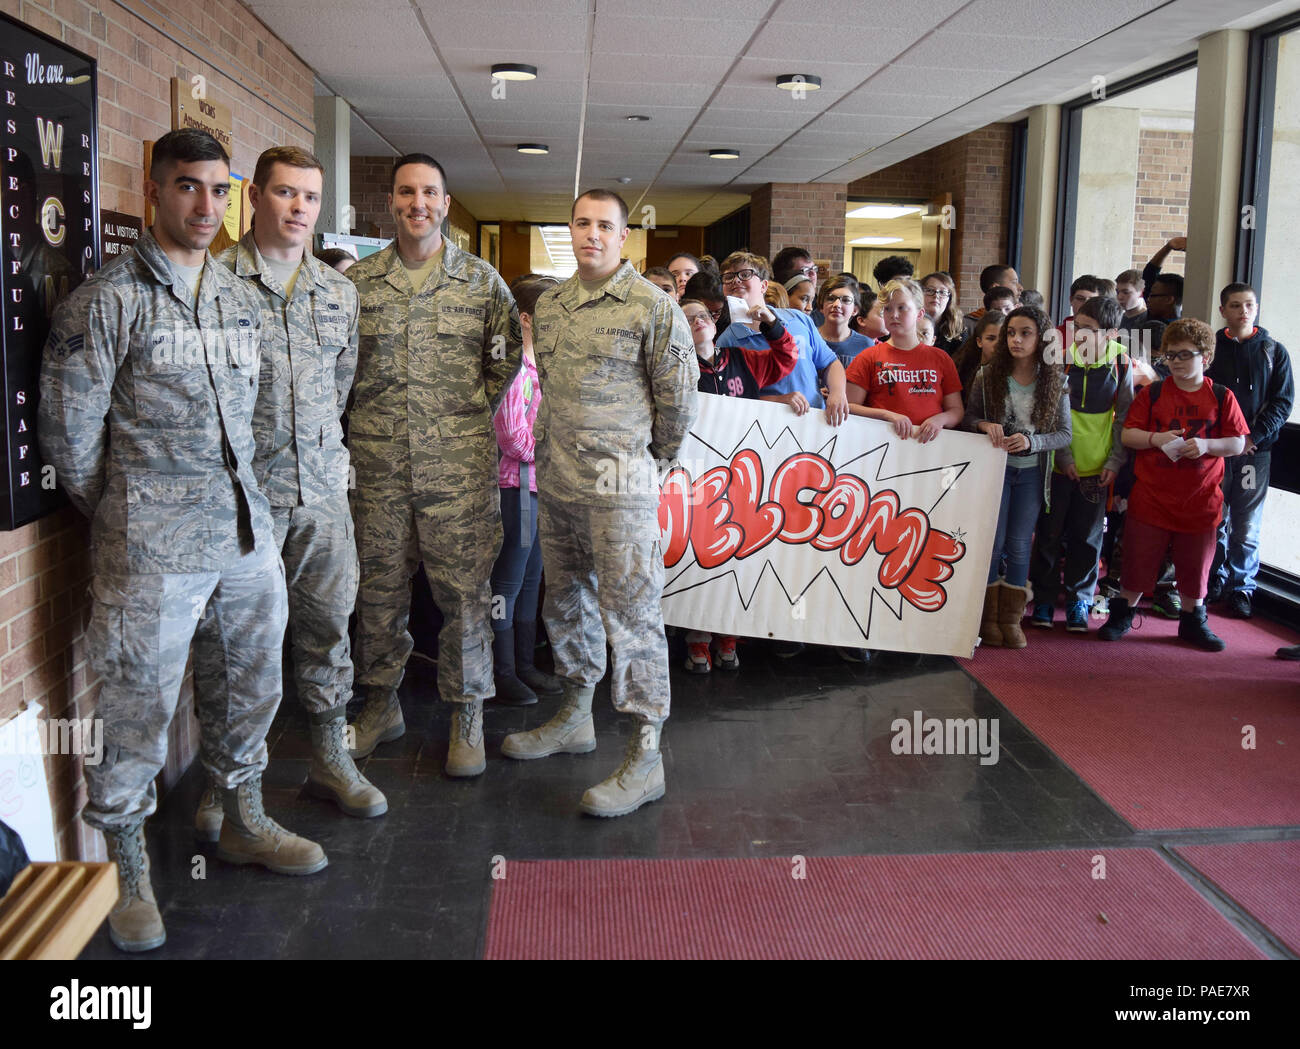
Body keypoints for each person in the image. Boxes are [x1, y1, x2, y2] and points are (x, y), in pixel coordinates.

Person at [38, 129, 317, 953]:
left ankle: (244, 820)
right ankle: (129, 872)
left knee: (251, 684)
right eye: (188, 187)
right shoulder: (107, 300)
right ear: (155, 190)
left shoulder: (235, 297)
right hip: (150, 546)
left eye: (219, 190)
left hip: (243, 535)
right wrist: (131, 508)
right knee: (136, 710)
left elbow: (259, 414)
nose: (206, 206)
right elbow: (68, 436)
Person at [200, 146, 383, 836]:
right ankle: (226, 784)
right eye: (286, 194)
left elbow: (340, 390)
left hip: (322, 499)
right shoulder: (211, 285)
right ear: (256, 199)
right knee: (232, 647)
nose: (300, 208)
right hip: (240, 505)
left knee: (328, 630)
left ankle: (331, 756)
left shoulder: (339, 292)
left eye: (310, 196)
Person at [501, 189, 698, 818]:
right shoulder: (553, 305)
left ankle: (646, 756)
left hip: (621, 487)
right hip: (557, 481)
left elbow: (677, 402)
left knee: (633, 615)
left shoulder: (652, 307)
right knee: (565, 600)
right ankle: (576, 716)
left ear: (623, 237)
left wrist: (651, 464)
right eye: (581, 223)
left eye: (604, 226)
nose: (592, 234)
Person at [345, 153, 522, 778]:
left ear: (446, 203)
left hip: (458, 471)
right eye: (405, 192)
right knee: (378, 591)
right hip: (378, 469)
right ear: (392, 203)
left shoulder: (482, 284)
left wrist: (461, 416)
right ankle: (379, 704)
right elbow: (343, 376)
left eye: (429, 192)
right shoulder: (358, 286)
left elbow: (501, 364)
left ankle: (467, 711)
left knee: (465, 595)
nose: (417, 203)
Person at [1099, 319, 1249, 650]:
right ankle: (1123, 613)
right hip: (1152, 495)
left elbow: (1238, 443)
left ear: (1205, 357)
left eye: (1185, 355)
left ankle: (1194, 620)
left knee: (1196, 566)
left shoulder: (1221, 396)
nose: (1177, 362)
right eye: (1170, 355)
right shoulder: (1153, 393)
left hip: (1201, 497)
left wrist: (1208, 446)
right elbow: (1127, 434)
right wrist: (1156, 438)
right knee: (1139, 559)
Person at [683, 294, 796, 672]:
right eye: (689, 318)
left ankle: (729, 634)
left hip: (744, 476)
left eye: (703, 315)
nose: (698, 320)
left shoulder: (742, 360)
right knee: (701, 556)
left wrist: (771, 323)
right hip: (697, 479)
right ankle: (697, 638)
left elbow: (785, 359)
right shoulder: (678, 368)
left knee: (738, 555)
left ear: (716, 324)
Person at [964, 306, 1072, 649]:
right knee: (992, 544)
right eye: (1011, 333)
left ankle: (1011, 620)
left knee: (1020, 543)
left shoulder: (1056, 379)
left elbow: (1064, 434)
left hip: (1030, 474)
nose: (1015, 340)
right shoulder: (987, 375)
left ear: (1041, 338)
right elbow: (968, 419)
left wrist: (1032, 441)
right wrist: (983, 425)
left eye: (1025, 333)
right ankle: (986, 619)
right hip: (995, 470)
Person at [1029, 296, 1134, 633]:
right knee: (1048, 534)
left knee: (1088, 539)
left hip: (1098, 469)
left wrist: (1116, 461)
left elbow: (1125, 421)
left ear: (1112, 334)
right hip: (1057, 464)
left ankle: (1080, 599)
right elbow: (1046, 413)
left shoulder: (1121, 363)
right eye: (1077, 326)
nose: (1079, 334)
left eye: (1089, 329)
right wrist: (1064, 456)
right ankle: (1044, 598)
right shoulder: (1060, 359)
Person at [489, 274, 567, 704]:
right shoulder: (514, 368)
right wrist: (558, 449)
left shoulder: (545, 366)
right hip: (516, 490)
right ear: (526, 318)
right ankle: (502, 673)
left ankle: (524, 665)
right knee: (507, 583)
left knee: (532, 580)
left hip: (540, 489)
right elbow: (515, 440)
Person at [1206, 282, 1295, 616]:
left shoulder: (1273, 351)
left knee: (1245, 525)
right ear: (1223, 311)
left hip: (1251, 457)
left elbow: (1282, 402)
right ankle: (1214, 577)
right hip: (1214, 453)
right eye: (1235, 305)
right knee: (1213, 519)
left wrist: (1250, 438)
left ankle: (1241, 587)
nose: (1243, 310)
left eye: (1248, 305)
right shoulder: (1211, 349)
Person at [716, 252, 850, 424]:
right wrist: (777, 401)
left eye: (745, 274)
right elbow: (729, 399)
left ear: (764, 285)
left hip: (815, 422)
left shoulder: (798, 319)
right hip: (765, 426)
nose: (735, 280)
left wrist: (838, 392)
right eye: (728, 277)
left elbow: (829, 362)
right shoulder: (726, 341)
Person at [844, 277, 963, 442]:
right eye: (887, 309)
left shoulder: (940, 358)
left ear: (919, 314)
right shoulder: (868, 357)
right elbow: (849, 407)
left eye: (902, 308)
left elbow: (956, 411)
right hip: (881, 443)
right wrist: (887, 415)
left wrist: (940, 419)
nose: (894, 315)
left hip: (929, 446)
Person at [818, 275, 874, 369]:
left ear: (855, 310)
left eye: (846, 300)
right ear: (821, 306)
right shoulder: (810, 338)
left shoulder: (866, 345)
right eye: (831, 298)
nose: (837, 305)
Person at [951, 312, 1004, 394]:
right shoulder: (964, 370)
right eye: (991, 339)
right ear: (979, 342)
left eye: (1002, 339)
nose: (997, 344)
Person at [921, 271, 964, 354]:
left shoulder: (958, 330)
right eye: (930, 290)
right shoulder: (909, 323)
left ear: (949, 299)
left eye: (942, 292)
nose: (936, 296)